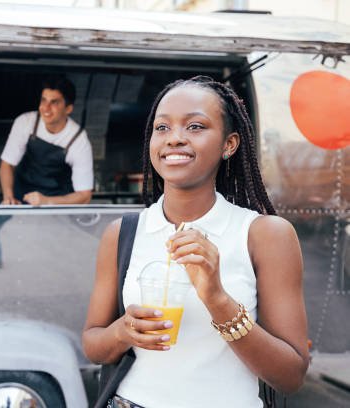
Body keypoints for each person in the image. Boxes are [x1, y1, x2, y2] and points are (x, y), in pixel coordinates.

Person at [82, 76, 309, 407]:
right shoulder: (123, 233)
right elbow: (92, 342)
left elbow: (290, 375)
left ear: (229, 144)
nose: (174, 139)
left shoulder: (264, 235)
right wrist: (122, 331)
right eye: (162, 128)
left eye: (195, 127)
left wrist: (217, 298)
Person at [0, 77, 94, 270]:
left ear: (68, 109)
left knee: (54, 244)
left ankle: (50, 271)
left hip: (57, 196)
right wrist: (8, 197)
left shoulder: (78, 140)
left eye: (54, 102)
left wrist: (47, 201)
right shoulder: (26, 122)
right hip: (20, 188)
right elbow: (7, 164)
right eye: (43, 100)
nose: (46, 108)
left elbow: (84, 195)